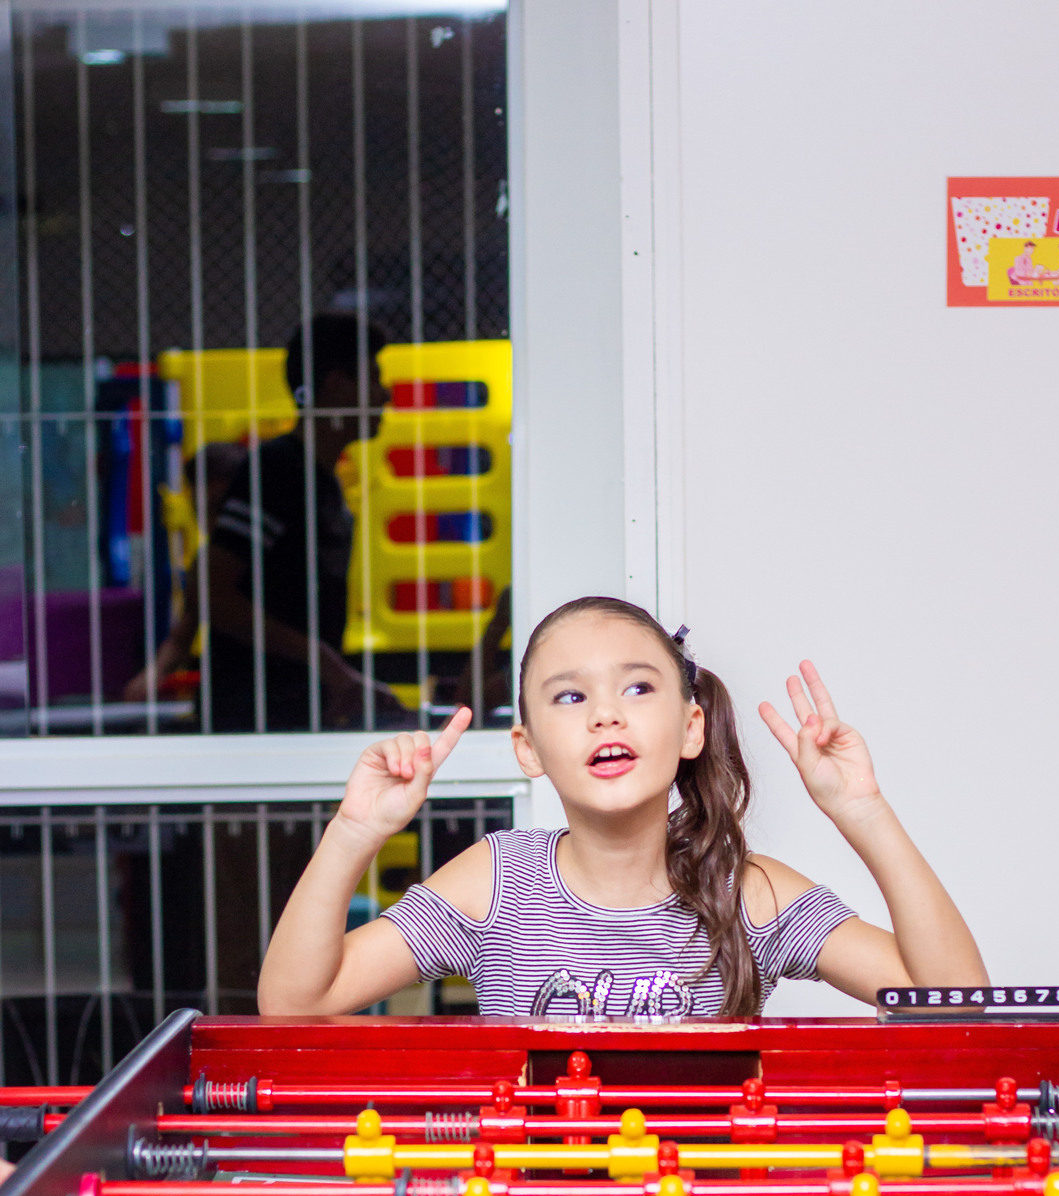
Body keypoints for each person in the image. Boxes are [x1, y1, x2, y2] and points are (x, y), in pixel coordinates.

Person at [259, 597, 986, 1019]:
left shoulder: (748, 890)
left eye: (637, 688)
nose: (605, 714)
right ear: (528, 748)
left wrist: (864, 811)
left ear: (692, 727)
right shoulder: (497, 881)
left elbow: (958, 1003)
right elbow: (295, 1004)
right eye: (570, 696)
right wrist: (355, 831)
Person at [207, 313, 395, 731]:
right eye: (373, 378)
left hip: (292, 719)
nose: (386, 394)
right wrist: (323, 663)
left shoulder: (321, 481)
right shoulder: (278, 470)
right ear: (337, 385)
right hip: (253, 723)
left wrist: (333, 680)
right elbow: (214, 592)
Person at [124, 439, 247, 705]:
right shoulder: (206, 562)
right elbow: (183, 636)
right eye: (203, 508)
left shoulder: (274, 557)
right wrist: (151, 676)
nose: (213, 520)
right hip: (227, 698)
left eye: (221, 507)